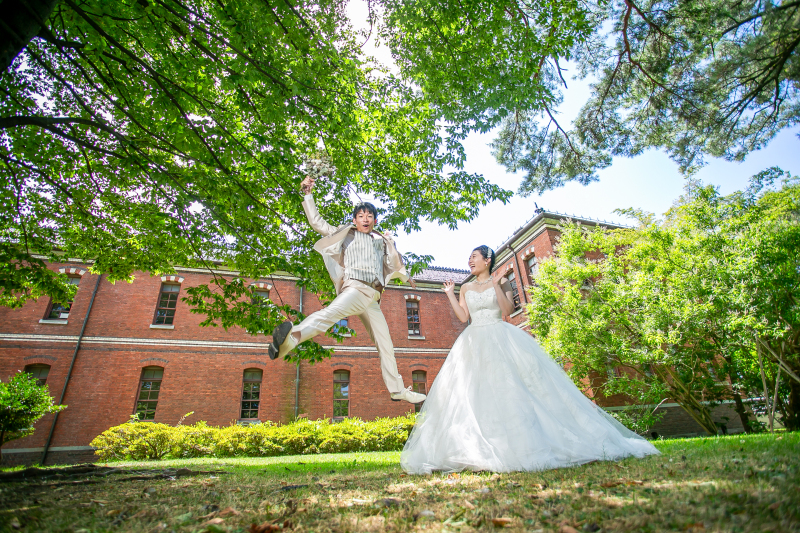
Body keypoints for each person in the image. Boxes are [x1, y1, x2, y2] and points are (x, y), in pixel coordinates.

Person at [401, 245, 660, 474]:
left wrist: (497, 284)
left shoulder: (501, 281)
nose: (470, 261)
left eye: (475, 257)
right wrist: (449, 293)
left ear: (487, 260)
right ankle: (480, 445)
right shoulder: (466, 287)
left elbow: (506, 310)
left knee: (510, 388)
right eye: (469, 257)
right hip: (472, 341)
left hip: (499, 336)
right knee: (473, 390)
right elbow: (461, 317)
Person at [268, 176, 426, 404]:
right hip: (354, 289)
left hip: (372, 299)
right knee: (329, 314)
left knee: (386, 344)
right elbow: (318, 223)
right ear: (354, 219)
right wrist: (308, 195)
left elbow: (393, 263)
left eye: (370, 216)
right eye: (361, 215)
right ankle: (290, 339)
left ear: (374, 221)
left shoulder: (380, 241)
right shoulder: (346, 235)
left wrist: (406, 273)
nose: (366, 219)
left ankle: (397, 390)